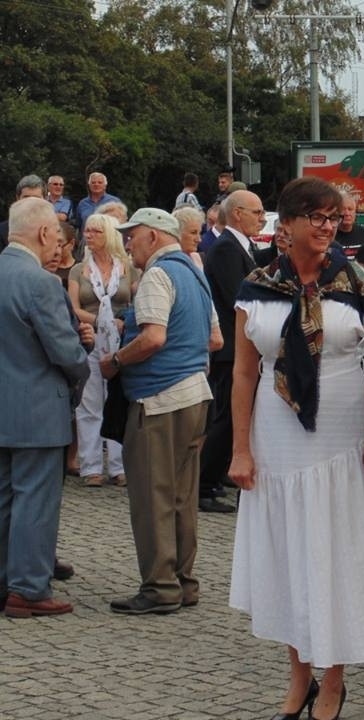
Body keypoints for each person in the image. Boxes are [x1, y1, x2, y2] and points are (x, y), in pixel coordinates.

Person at [228, 176, 364, 720]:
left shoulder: (361, 282)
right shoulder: (255, 286)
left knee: (338, 553)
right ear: (288, 224)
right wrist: (239, 449)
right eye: (317, 218)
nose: (328, 227)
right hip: (276, 433)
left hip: (344, 429)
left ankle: (334, 681)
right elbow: (243, 370)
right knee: (289, 554)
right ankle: (298, 675)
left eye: (334, 218)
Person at [101, 208, 223, 615]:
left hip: (159, 399)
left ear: (153, 237)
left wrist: (116, 359)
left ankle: (159, 587)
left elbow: (153, 337)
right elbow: (215, 340)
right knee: (181, 496)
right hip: (195, 394)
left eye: (132, 235)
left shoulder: (157, 275)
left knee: (153, 496)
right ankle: (184, 582)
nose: (128, 243)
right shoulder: (195, 274)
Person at [0, 197, 90, 618]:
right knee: (36, 501)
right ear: (41, 233)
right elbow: (65, 352)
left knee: (4, 500)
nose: (58, 242)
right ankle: (29, 589)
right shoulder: (40, 282)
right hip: (37, 410)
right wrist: (82, 365)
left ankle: (7, 582)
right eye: (56, 234)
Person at [199, 190, 267, 513]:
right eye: (257, 212)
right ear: (238, 213)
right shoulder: (227, 247)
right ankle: (202, 484)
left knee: (229, 416)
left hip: (236, 345)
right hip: (230, 346)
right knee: (226, 417)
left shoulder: (242, 245)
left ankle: (216, 474)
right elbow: (236, 296)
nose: (262, 218)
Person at [68, 213, 137, 488]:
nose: (89, 235)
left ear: (108, 234)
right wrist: (98, 321)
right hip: (90, 337)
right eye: (87, 231)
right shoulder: (78, 269)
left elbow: (136, 298)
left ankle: (119, 466)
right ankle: (90, 466)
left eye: (95, 231)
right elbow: (73, 307)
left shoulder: (127, 267)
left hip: (120, 338)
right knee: (90, 402)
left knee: (117, 399)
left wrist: (122, 320)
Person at [0, 175, 46, 249]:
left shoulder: (55, 231)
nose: (30, 202)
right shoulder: (2, 231)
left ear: (44, 200)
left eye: (36, 198)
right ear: (18, 198)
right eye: (26, 197)